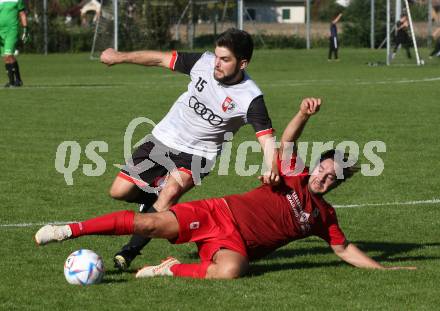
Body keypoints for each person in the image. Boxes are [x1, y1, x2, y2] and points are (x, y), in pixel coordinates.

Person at [35, 98, 416, 279]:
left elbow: (344, 249)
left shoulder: (322, 215)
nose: (324, 179)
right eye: (324, 170)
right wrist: (303, 114)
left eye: (333, 179)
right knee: (149, 224)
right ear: (317, 165)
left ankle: (169, 270)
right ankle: (68, 229)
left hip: (234, 245)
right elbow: (286, 140)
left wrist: (383, 269)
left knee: (232, 271)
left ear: (337, 184)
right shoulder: (293, 172)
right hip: (217, 213)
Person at [99, 28, 279, 271]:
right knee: (119, 191)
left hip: (198, 155)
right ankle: (152, 200)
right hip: (162, 139)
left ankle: (128, 252)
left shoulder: (251, 98)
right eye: (217, 56)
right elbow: (159, 58)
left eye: (225, 60)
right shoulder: (203, 62)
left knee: (171, 192)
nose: (217, 63)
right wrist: (118, 56)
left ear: (243, 63)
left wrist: (270, 166)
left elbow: (267, 138)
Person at [0, 0, 29, 87]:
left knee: (8, 54)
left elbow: (22, 14)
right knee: (5, 57)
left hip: (12, 30)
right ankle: (14, 81)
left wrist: (25, 29)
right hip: (1, 32)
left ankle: (15, 82)